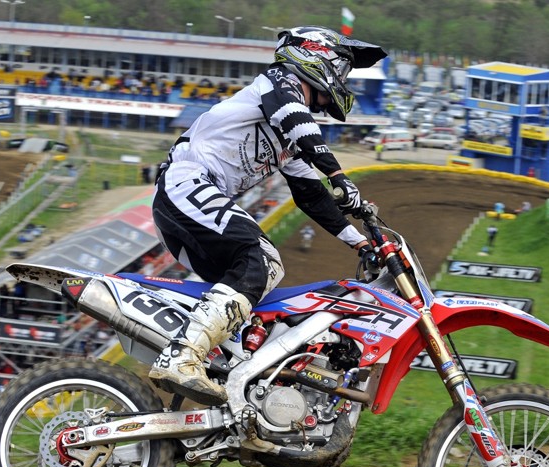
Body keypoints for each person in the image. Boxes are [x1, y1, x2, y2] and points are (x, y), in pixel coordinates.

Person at [148, 26, 386, 405]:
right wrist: (338, 174)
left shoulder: (288, 132)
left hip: (188, 204)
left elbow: (311, 195)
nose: (342, 81)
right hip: (186, 182)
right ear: (316, 55)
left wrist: (360, 242)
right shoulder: (277, 84)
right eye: (342, 70)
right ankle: (181, 357)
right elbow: (296, 119)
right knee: (262, 258)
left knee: (255, 291)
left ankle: (235, 390)